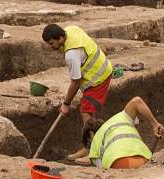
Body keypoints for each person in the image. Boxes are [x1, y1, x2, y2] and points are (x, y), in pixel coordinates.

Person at [42, 23, 113, 163]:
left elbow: (75, 81)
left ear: (61, 37)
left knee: (86, 112)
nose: (51, 47)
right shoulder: (71, 29)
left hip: (98, 78)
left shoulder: (71, 55)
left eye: (52, 43)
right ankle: (91, 145)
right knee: (90, 112)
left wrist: (66, 104)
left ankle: (93, 152)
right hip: (101, 70)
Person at [82, 96, 164, 169]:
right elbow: (137, 101)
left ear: (90, 135)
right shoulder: (120, 118)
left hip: (119, 164)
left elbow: (103, 171)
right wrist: (155, 124)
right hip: (144, 159)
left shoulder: (95, 146)